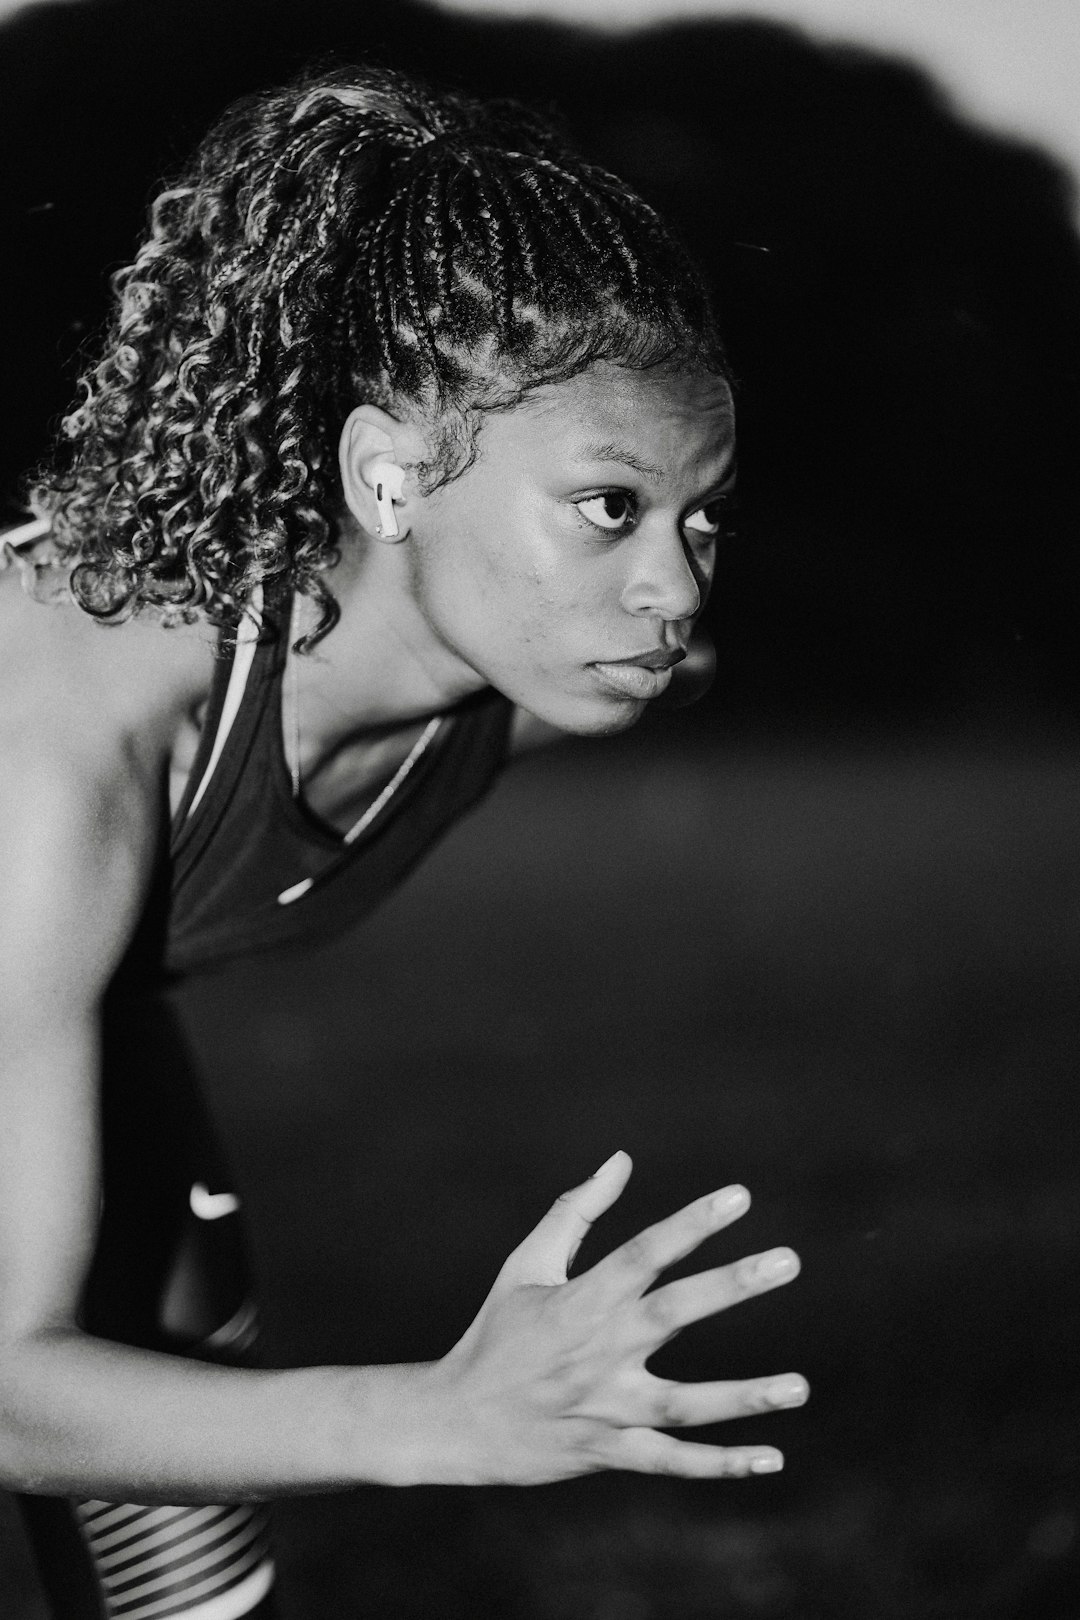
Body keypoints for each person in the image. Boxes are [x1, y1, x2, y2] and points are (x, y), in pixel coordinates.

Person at [0, 64, 808, 1620]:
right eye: (610, 507)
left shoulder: (530, 672)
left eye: (701, 516)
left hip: (65, 1027)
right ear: (388, 476)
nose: (675, 587)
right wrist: (444, 1416)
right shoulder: (60, 749)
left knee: (188, 1576)